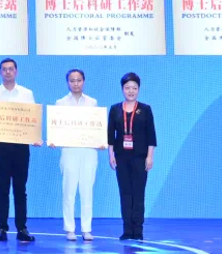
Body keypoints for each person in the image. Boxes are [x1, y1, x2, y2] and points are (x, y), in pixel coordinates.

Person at [0, 58, 38, 242]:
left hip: (21, 148)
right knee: (2, 189)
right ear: (0, 72)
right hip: (1, 147)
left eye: (11, 69)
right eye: (4, 69)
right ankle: (2, 228)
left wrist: (35, 137)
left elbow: (33, 119)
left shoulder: (27, 94)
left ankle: (22, 228)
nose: (7, 72)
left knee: (21, 189)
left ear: (16, 71)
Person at [51, 68, 104, 242]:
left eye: (79, 80)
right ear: (67, 82)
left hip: (89, 151)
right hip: (69, 150)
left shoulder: (92, 102)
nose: (75, 83)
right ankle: (70, 229)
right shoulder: (60, 103)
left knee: (87, 190)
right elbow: (56, 127)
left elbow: (97, 127)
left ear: (84, 81)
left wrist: (100, 141)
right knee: (69, 190)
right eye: (72, 80)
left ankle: (86, 229)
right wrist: (54, 139)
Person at [107, 72, 157, 241]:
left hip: (140, 157)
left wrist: (150, 156)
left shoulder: (145, 109)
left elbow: (151, 135)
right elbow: (110, 135)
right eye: (127, 88)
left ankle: (138, 230)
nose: (131, 91)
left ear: (138, 90)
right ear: (122, 89)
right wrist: (111, 155)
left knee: (138, 194)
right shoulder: (115, 109)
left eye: (134, 88)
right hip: (121, 157)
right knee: (125, 193)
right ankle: (127, 230)